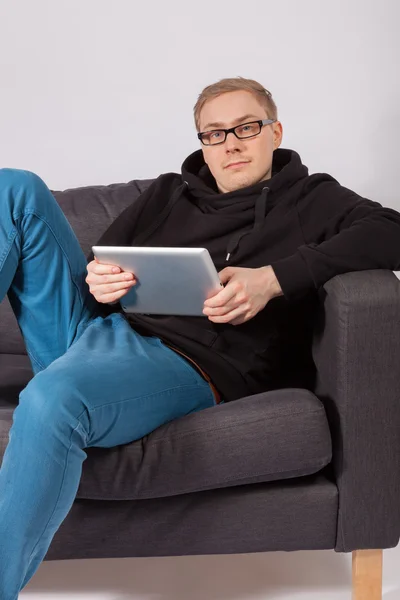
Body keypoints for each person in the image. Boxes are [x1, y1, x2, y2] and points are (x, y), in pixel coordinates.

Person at [0, 76, 400, 598]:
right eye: (214, 134)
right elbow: (107, 266)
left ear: (274, 132)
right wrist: (101, 280)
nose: (230, 143)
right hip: (95, 333)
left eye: (245, 127)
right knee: (15, 187)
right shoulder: (170, 193)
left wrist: (275, 279)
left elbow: (392, 231)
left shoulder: (314, 199)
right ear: (203, 144)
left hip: (185, 361)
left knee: (52, 397)